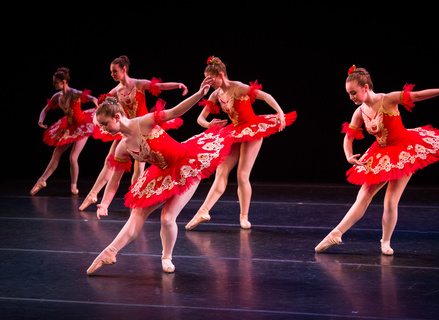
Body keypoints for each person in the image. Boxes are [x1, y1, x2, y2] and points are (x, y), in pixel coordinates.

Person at [86, 76, 233, 275]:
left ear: (117, 117)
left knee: (167, 218)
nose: (103, 130)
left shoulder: (144, 122)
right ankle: (109, 252)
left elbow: (175, 111)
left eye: (105, 124)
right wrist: (104, 203)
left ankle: (166, 257)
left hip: (184, 164)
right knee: (136, 214)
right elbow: (114, 180)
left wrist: (198, 94)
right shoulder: (122, 147)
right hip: (159, 173)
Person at [315, 65, 439, 255]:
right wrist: (348, 156)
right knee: (364, 195)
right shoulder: (359, 112)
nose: (351, 97)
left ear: (365, 88)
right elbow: (348, 137)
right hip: (380, 153)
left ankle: (385, 242)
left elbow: (416, 96)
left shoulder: (388, 99)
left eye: (353, 93)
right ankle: (336, 233)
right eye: (349, 94)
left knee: (391, 201)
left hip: (402, 151)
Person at [185, 56, 297, 230]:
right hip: (234, 131)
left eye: (211, 79)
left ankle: (244, 216)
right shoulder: (216, 94)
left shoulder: (238, 88)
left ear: (221, 75)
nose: (209, 82)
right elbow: (200, 118)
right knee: (221, 170)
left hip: (252, 129)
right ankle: (203, 211)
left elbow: (266, 96)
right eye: (206, 79)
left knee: (242, 175)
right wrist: (209, 124)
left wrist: (280, 113)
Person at [79, 55, 188, 211]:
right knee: (111, 161)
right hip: (125, 129)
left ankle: (136, 199)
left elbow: (160, 86)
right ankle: (94, 194)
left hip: (142, 128)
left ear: (124, 69)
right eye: (111, 72)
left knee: (139, 169)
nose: (112, 74)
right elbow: (103, 108)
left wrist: (178, 85)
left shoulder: (138, 84)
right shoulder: (115, 91)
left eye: (114, 71)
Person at [30, 67, 97, 196]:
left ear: (64, 81)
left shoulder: (74, 93)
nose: (54, 84)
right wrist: (40, 120)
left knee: (73, 157)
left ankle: (73, 186)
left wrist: (98, 109)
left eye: (56, 82)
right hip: (68, 126)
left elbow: (93, 98)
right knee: (57, 152)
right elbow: (45, 109)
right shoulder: (57, 96)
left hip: (81, 126)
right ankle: (42, 180)